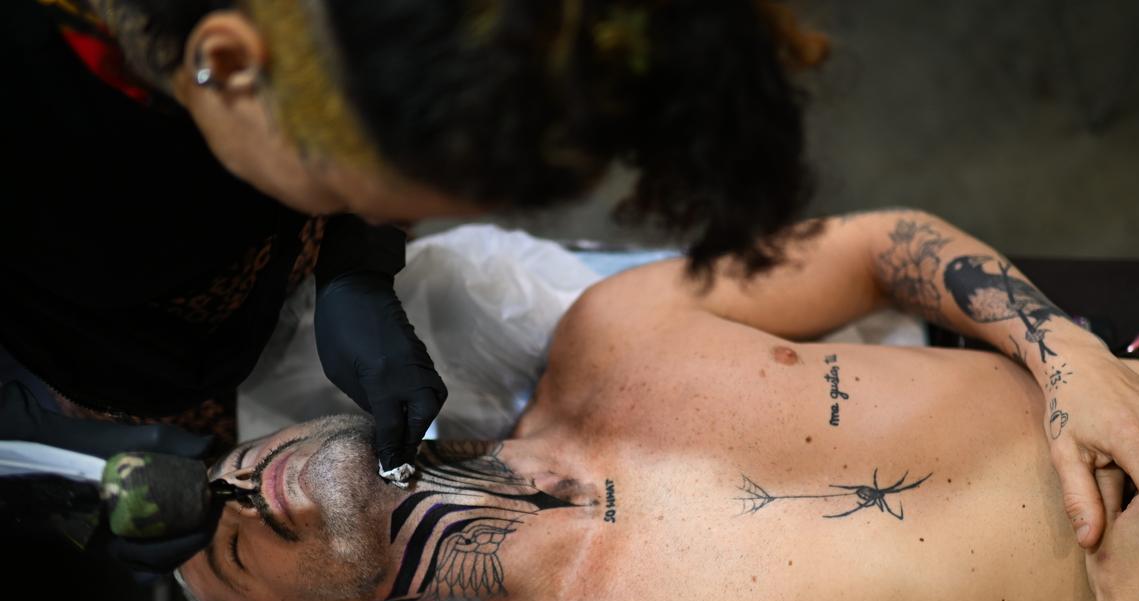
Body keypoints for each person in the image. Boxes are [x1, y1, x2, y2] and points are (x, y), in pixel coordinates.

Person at [177, 209, 1139, 601]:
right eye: (219, 550)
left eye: (222, 471)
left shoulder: (613, 332)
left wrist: (1068, 358)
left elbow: (878, 246)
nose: (229, 492)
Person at [0, 0, 823, 487]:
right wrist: (59, 465)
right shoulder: (34, 98)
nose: (344, 213)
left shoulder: (342, 54)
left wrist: (356, 260)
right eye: (342, 196)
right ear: (229, 64)